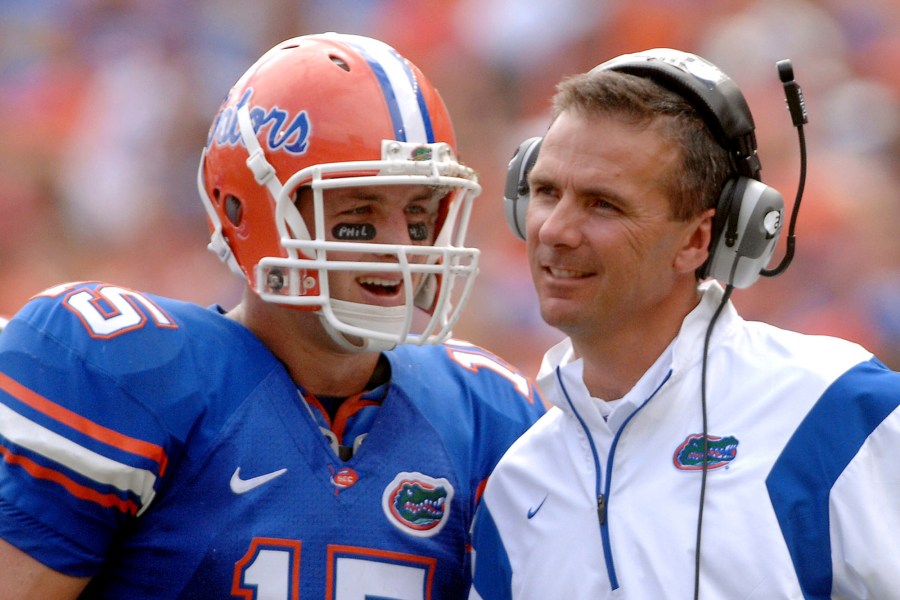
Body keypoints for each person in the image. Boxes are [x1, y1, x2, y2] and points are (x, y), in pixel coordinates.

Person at [0, 33, 545, 599]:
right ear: (241, 209)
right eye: (360, 212)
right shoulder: (122, 374)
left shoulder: (488, 416)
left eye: (419, 213)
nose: (398, 246)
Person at [469, 48, 900, 599]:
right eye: (548, 192)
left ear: (701, 239)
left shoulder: (837, 408)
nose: (555, 229)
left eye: (602, 204)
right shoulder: (516, 482)